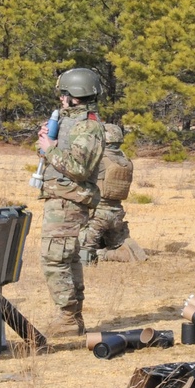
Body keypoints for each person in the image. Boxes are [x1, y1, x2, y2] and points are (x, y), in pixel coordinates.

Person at [35, 68, 105, 336]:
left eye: (64, 94)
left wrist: (50, 148)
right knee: (67, 257)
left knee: (54, 259)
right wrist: (44, 142)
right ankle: (71, 317)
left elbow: (79, 168)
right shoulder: (69, 122)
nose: (61, 99)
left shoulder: (88, 126)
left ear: (74, 96)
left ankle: (66, 319)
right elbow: (53, 155)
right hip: (60, 197)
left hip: (68, 201)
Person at [79, 124, 146, 265]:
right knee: (121, 245)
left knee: (81, 250)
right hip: (117, 214)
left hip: (98, 214)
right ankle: (110, 252)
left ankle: (100, 254)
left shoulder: (100, 160)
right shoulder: (126, 162)